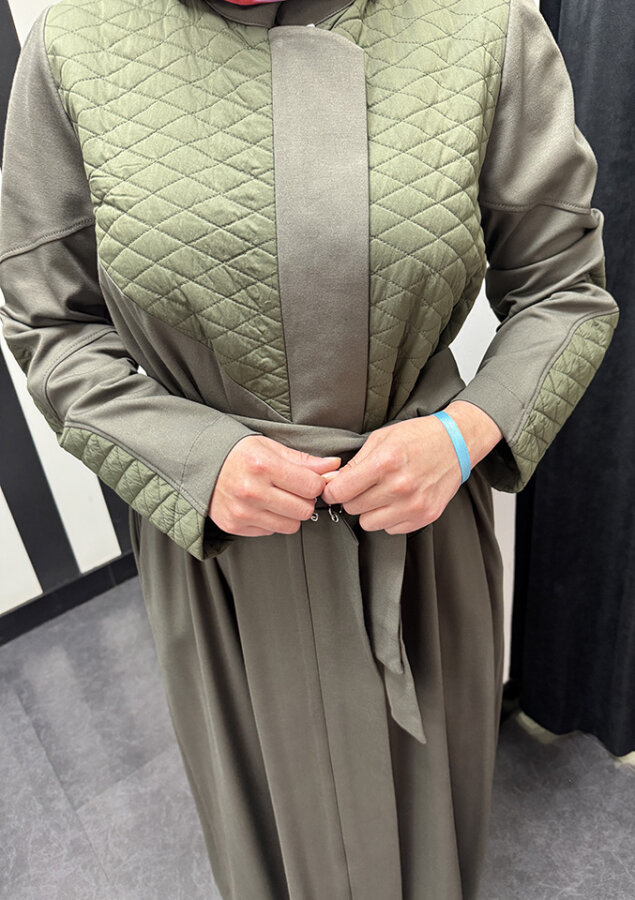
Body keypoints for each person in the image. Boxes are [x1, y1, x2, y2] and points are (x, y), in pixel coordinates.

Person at [0, 0, 619, 897]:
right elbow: (49, 324)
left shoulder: (480, 24)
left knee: (433, 822)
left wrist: (464, 432)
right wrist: (191, 459)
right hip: (220, 555)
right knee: (264, 822)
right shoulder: (77, 45)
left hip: (420, 531)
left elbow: (564, 289)